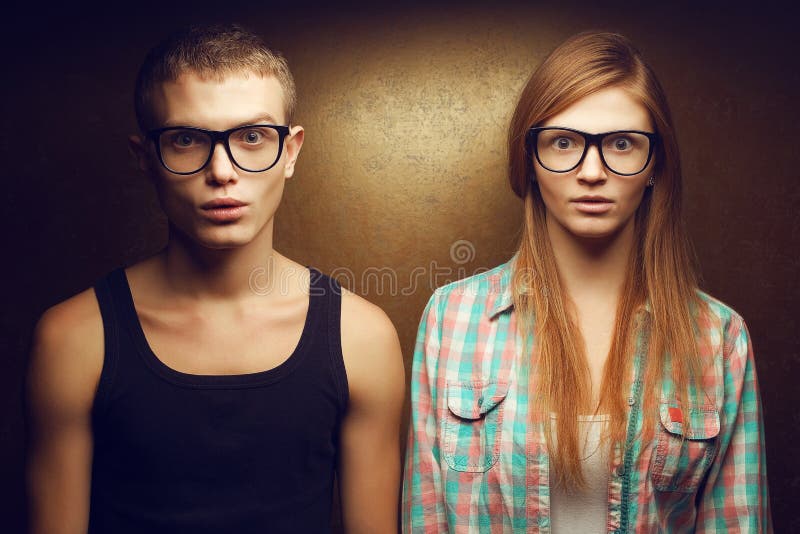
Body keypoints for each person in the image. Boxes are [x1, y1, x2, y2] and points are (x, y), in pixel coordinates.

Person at [26, 24, 405, 534]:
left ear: (290, 152)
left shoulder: (361, 338)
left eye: (252, 137)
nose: (222, 170)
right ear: (145, 159)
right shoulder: (73, 339)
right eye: (186, 139)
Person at [402, 31, 771, 532]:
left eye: (621, 143)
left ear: (655, 164)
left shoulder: (718, 337)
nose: (592, 171)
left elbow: (737, 521)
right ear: (529, 160)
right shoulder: (453, 318)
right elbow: (426, 517)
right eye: (564, 142)